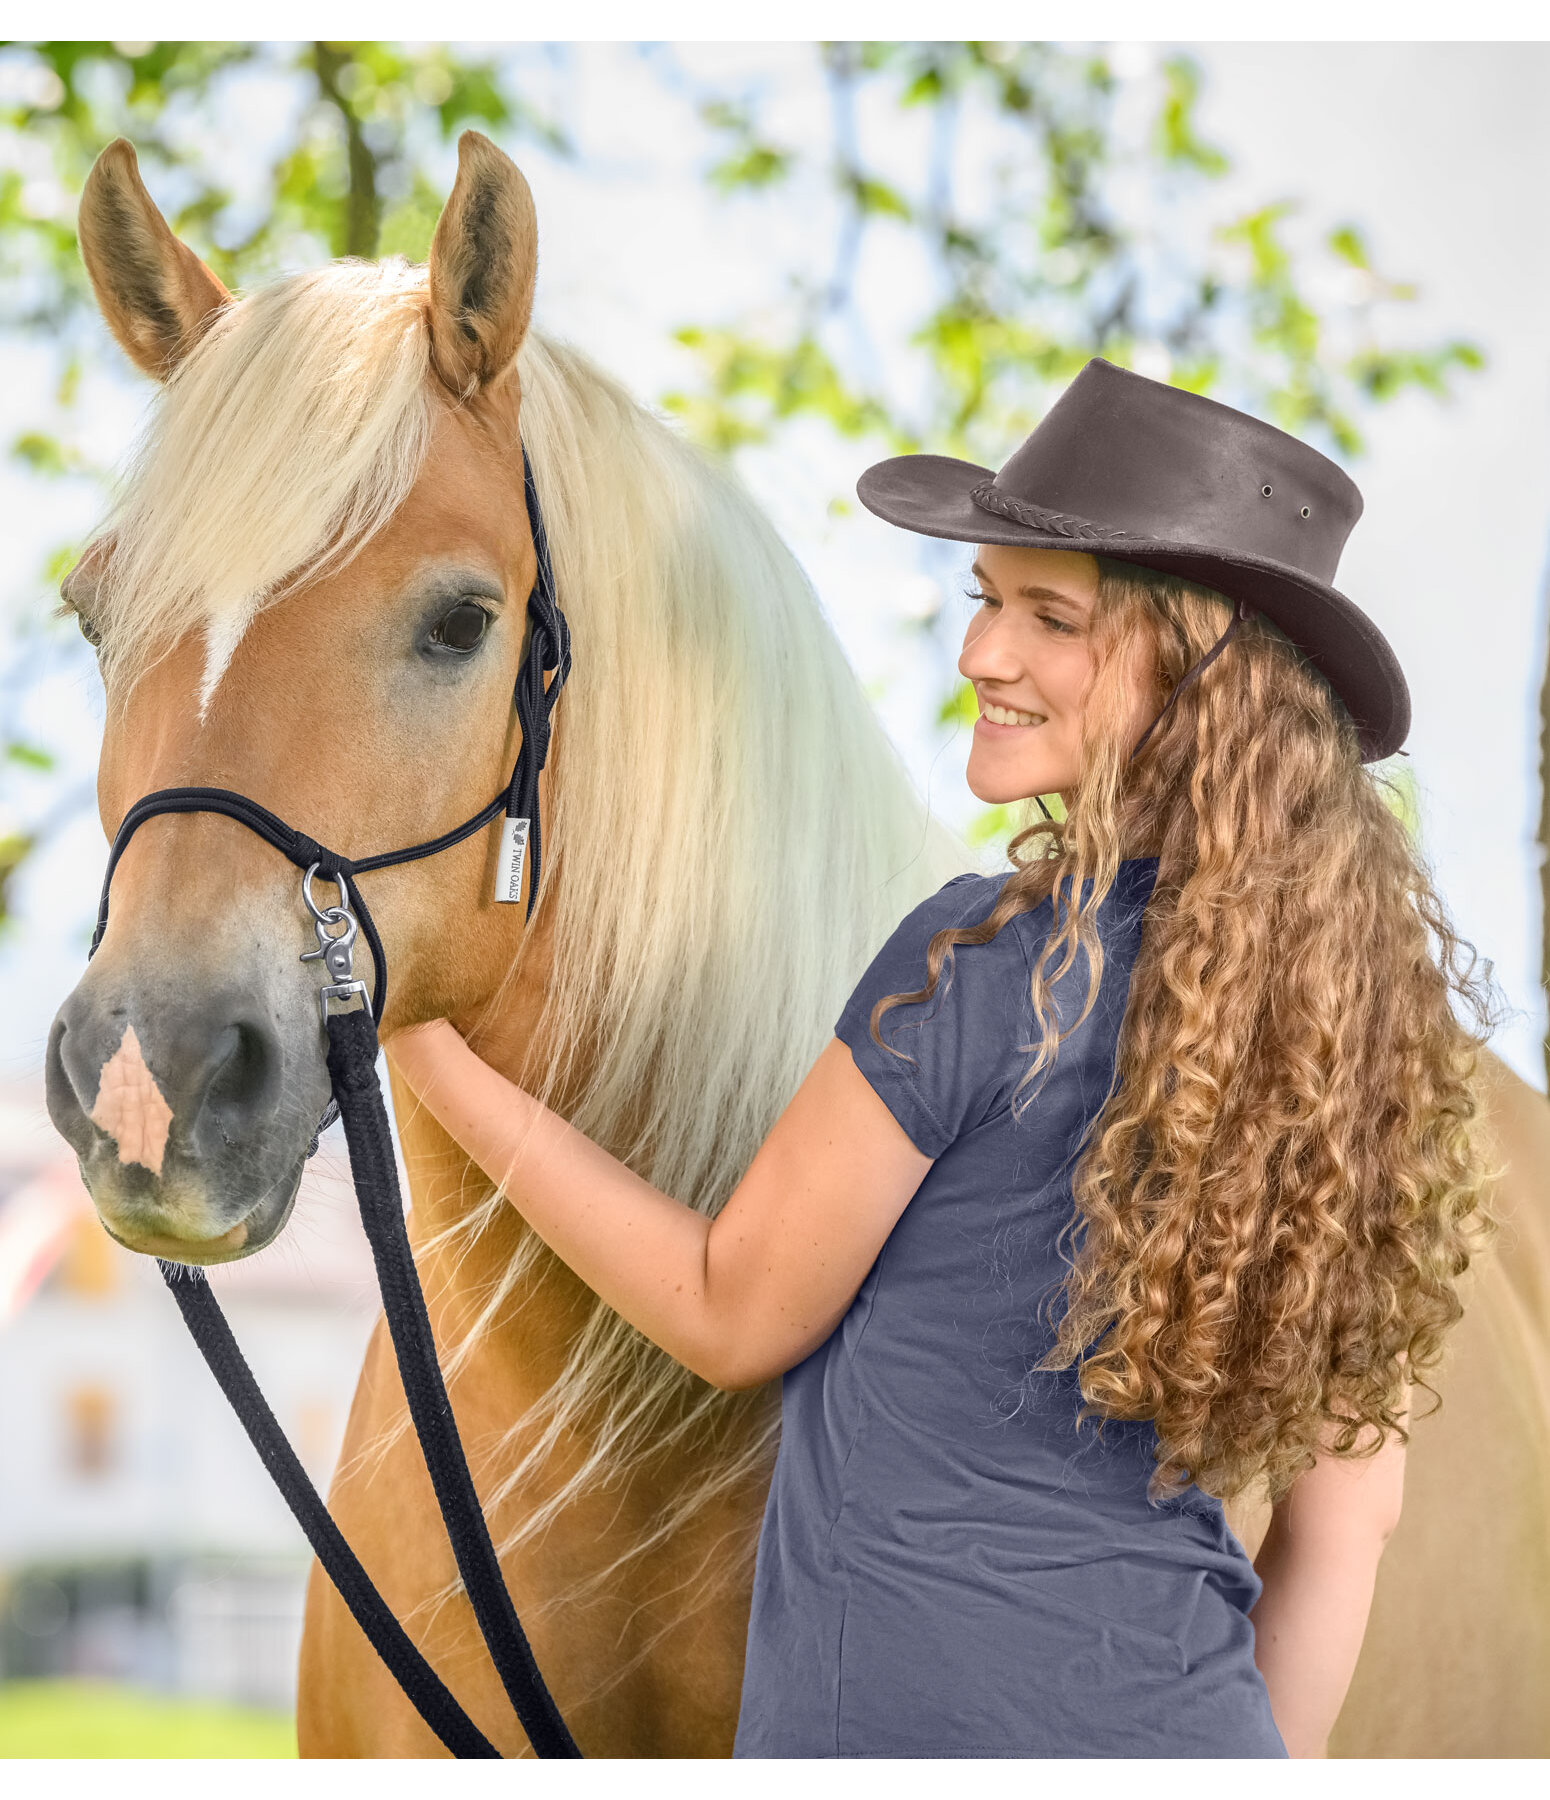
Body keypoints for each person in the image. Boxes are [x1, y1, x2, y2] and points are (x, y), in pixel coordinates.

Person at [385, 357, 1498, 1758]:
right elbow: (1349, 1524)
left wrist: (426, 1050)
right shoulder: (1357, 1049)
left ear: (1203, 675)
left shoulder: (984, 960)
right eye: (984, 602)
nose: (982, 655)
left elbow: (730, 1310)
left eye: (1052, 617)